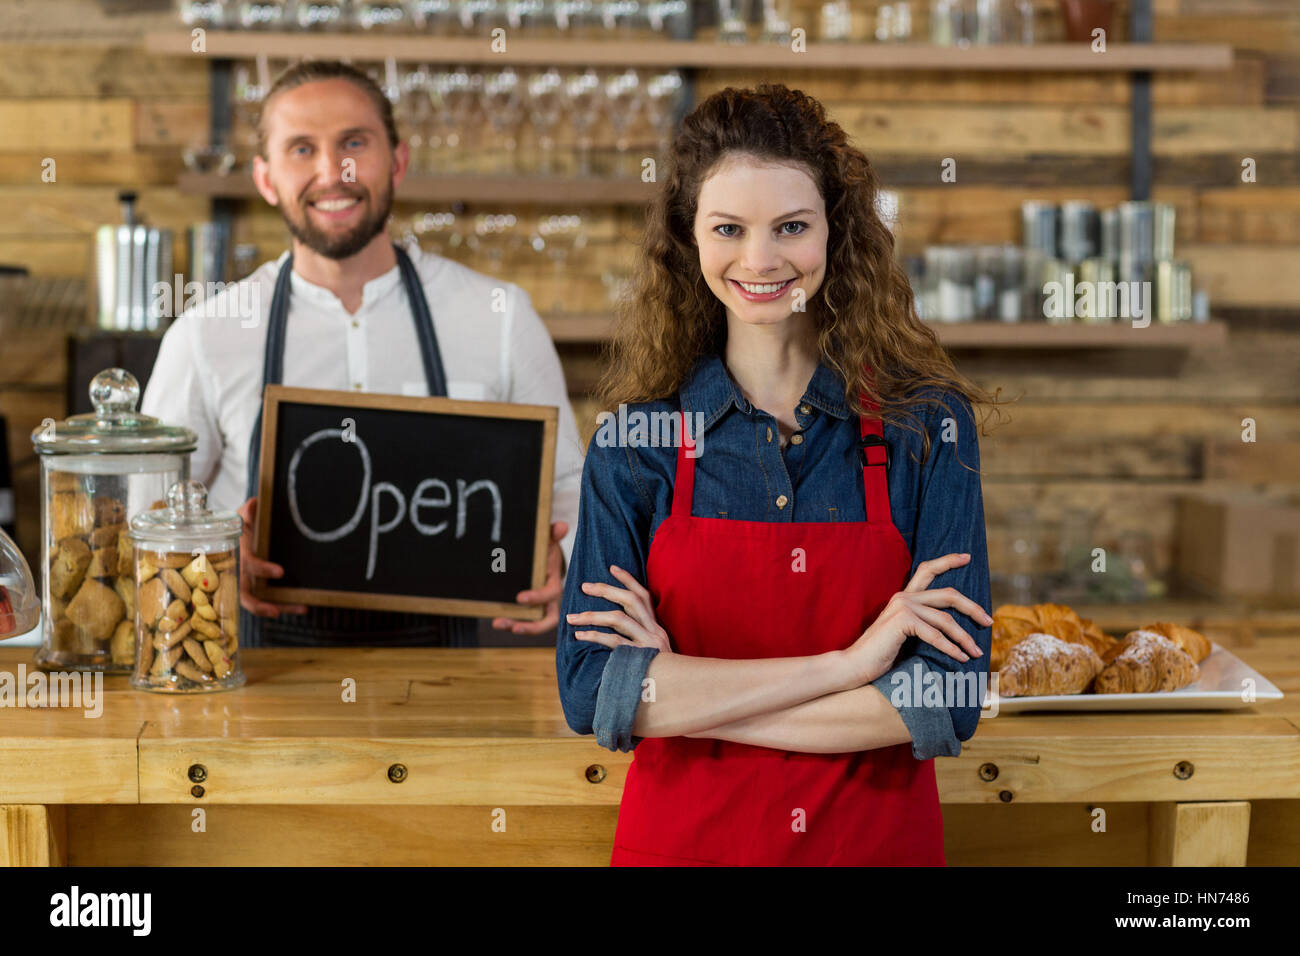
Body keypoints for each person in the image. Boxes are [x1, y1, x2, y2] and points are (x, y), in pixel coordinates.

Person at [556, 84, 1009, 866]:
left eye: (791, 227)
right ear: (688, 238)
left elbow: (948, 696)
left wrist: (675, 694)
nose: (760, 261)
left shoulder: (924, 427)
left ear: (838, 232)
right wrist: (849, 670)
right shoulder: (636, 443)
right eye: (728, 228)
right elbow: (594, 691)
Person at [142, 60, 582, 647]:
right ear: (266, 178)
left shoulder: (499, 315)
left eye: (354, 142)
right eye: (301, 149)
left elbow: (571, 489)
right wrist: (214, 556)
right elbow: (146, 518)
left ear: (397, 160)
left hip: (450, 682)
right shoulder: (205, 334)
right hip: (260, 688)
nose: (333, 172)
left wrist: (563, 557)